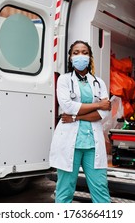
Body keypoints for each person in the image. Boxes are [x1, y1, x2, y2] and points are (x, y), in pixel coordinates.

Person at [49, 40, 112, 203]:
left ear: (90, 57)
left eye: (84, 52)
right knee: (64, 191)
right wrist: (98, 104)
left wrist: (77, 117)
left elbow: (103, 113)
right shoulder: (64, 80)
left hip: (92, 144)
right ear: (70, 58)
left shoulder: (99, 82)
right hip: (70, 142)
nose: (80, 56)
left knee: (101, 191)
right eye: (76, 53)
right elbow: (68, 106)